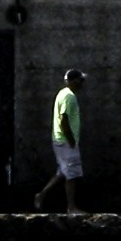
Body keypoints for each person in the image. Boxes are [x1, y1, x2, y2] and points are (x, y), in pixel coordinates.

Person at [38, 71, 88, 212]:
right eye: (80, 80)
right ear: (73, 80)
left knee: (63, 172)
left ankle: (41, 195)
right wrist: (71, 140)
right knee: (71, 174)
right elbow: (63, 119)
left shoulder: (62, 93)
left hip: (61, 140)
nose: (82, 83)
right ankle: (71, 207)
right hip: (66, 141)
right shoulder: (69, 96)